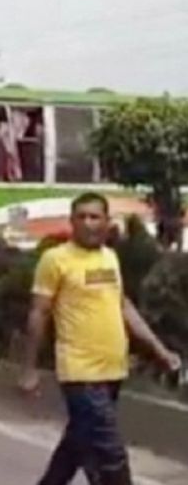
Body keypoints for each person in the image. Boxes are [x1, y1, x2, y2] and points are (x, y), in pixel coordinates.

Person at [18, 192, 182, 485]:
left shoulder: (109, 258)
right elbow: (39, 313)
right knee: (110, 453)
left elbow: (123, 306)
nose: (87, 223)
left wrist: (160, 351)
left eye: (94, 217)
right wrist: (29, 369)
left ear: (106, 222)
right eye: (80, 217)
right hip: (80, 372)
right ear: (72, 221)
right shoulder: (55, 260)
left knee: (77, 444)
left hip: (112, 370)